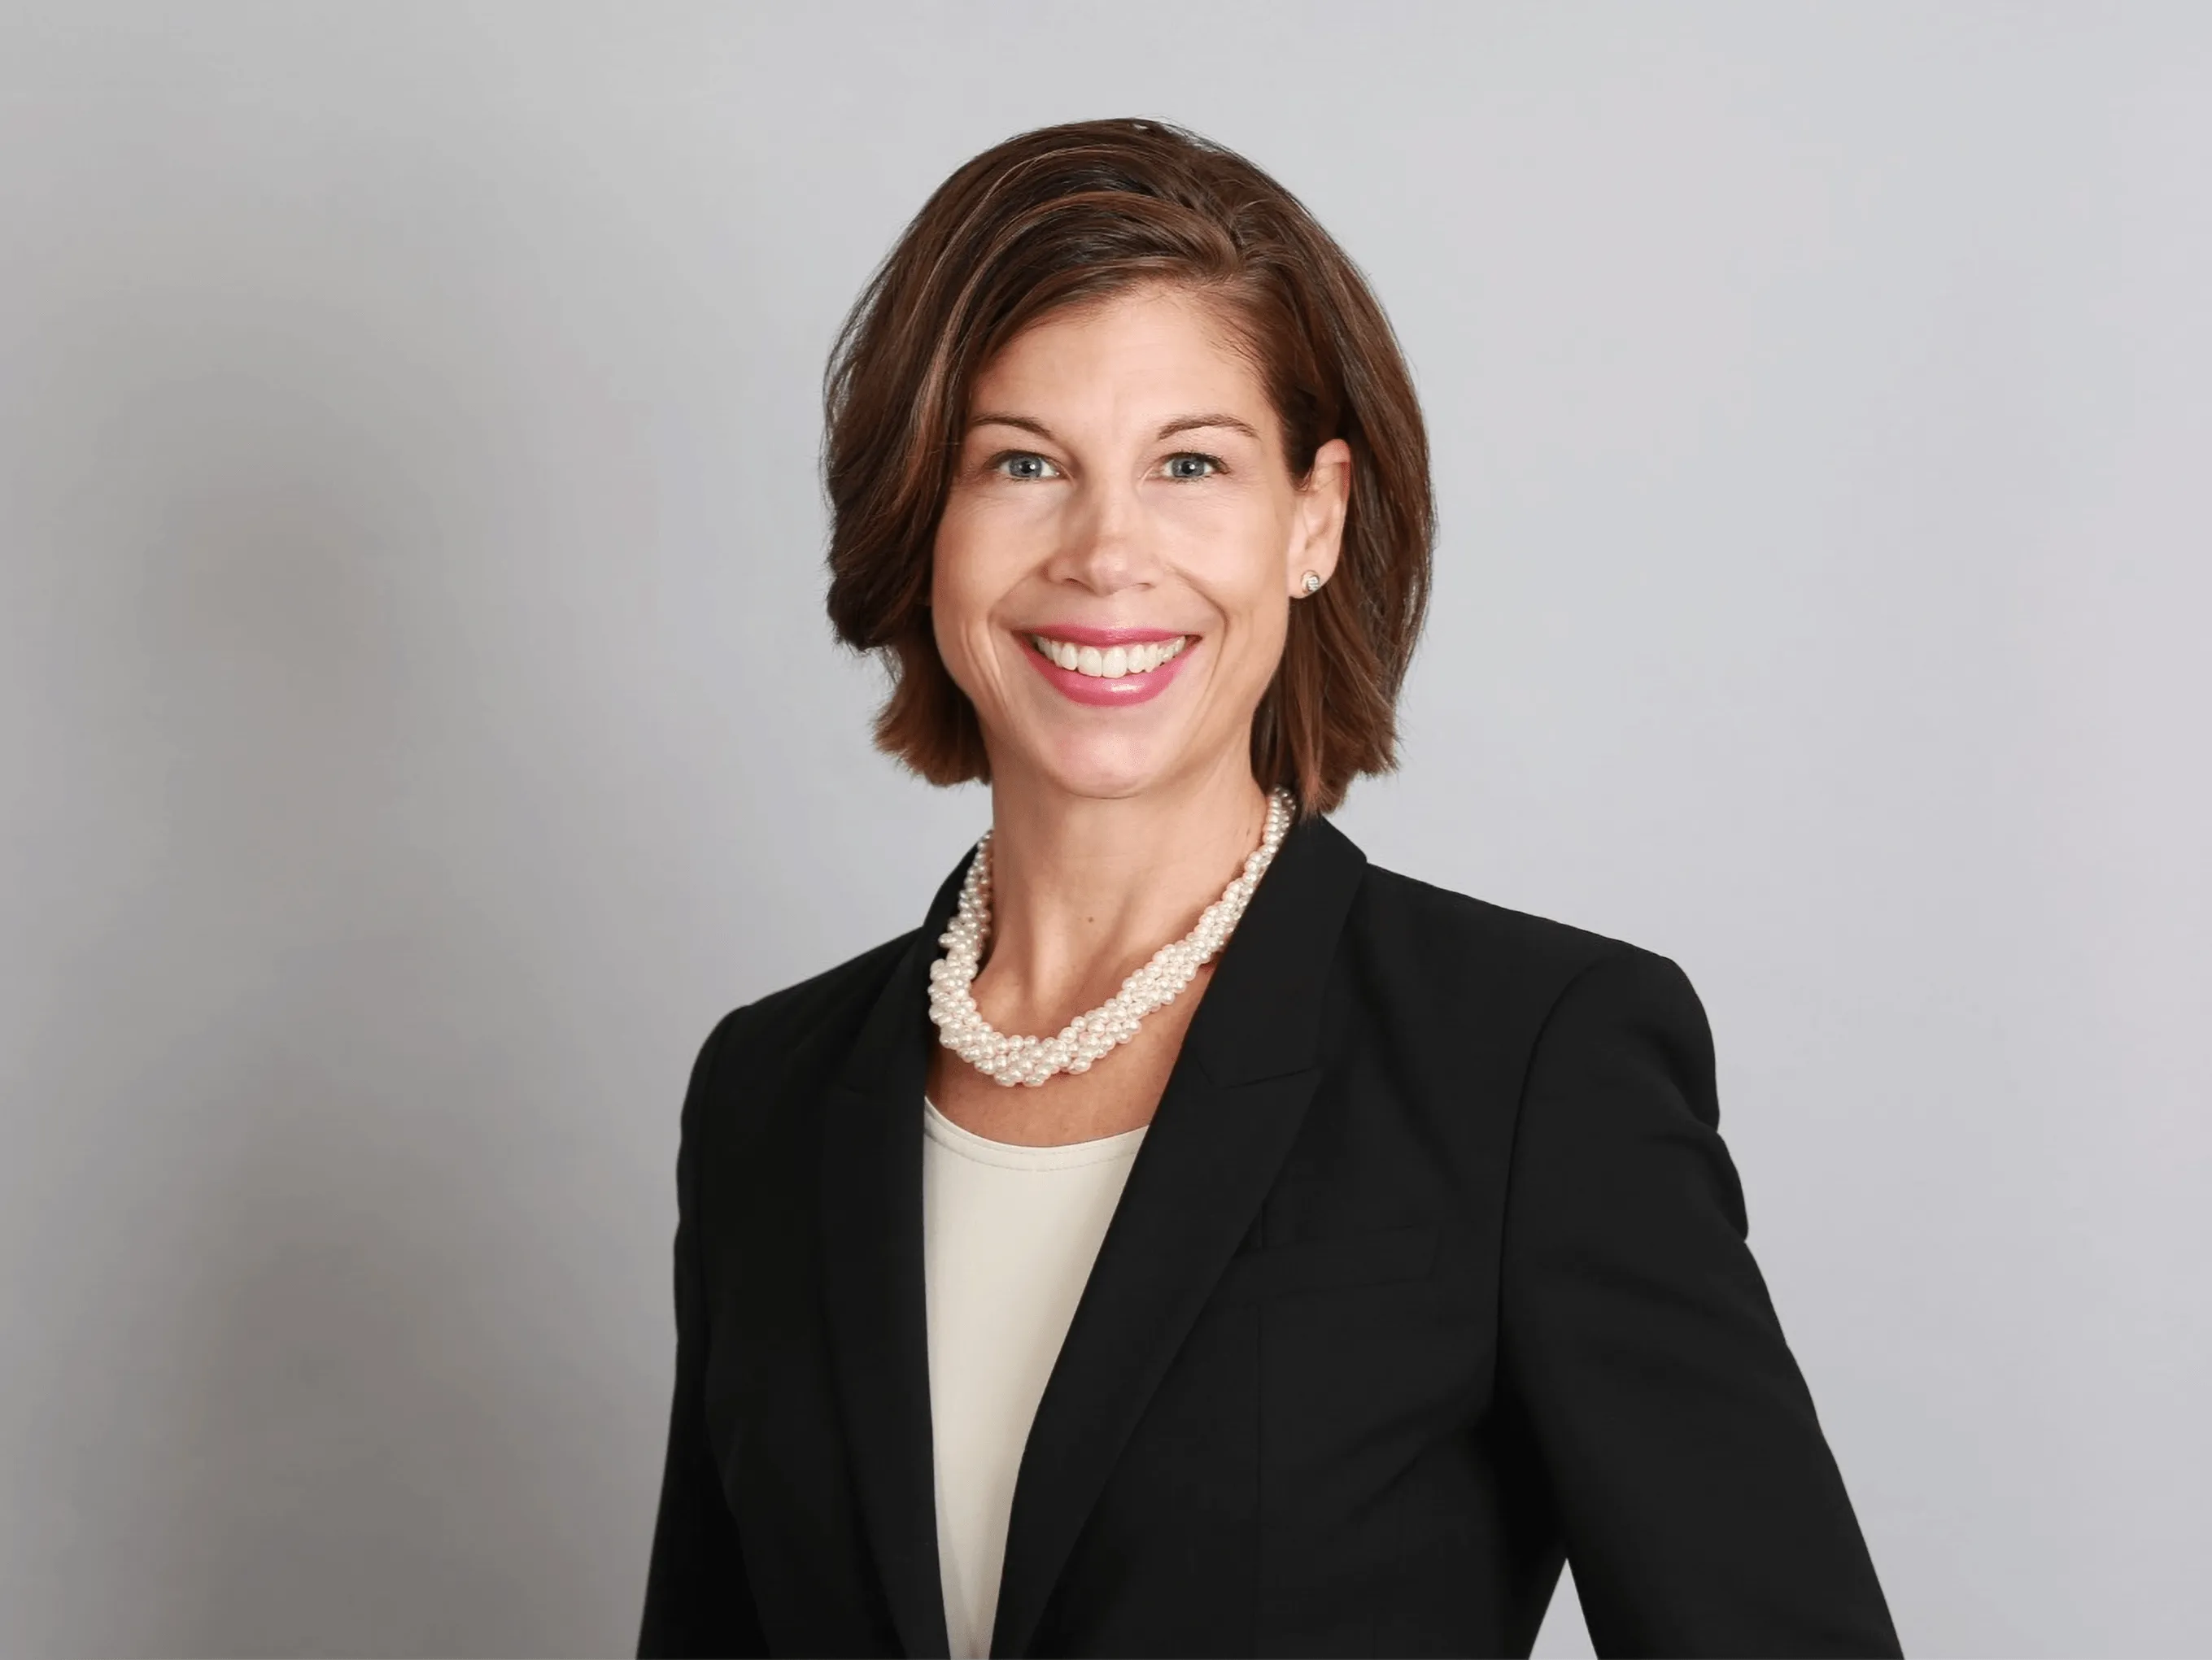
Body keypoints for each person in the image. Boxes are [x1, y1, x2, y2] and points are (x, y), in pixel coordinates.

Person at [637, 117, 1903, 1660]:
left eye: (1189, 465)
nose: (1108, 554)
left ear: (1311, 518)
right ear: (926, 519)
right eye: (1023, 463)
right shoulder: (766, 1095)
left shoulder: (1527, 1065)